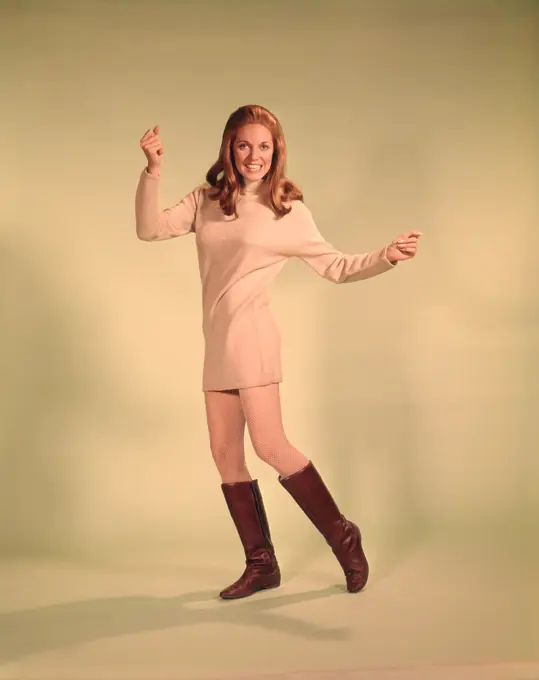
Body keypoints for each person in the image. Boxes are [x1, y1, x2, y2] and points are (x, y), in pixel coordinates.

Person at [135, 104, 422, 600]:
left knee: (271, 446)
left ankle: (343, 535)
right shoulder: (206, 200)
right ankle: (261, 564)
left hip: (254, 338)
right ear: (229, 147)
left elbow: (335, 265)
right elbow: (149, 228)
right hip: (217, 343)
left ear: (277, 151)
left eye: (264, 147)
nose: (254, 156)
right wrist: (153, 171)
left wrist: (384, 257)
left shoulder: (286, 209)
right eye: (244, 145)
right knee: (225, 456)